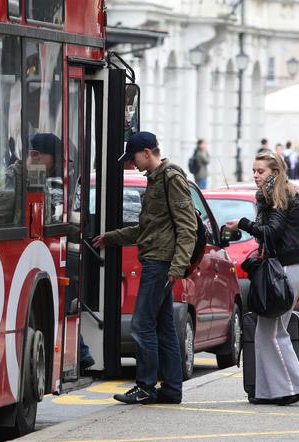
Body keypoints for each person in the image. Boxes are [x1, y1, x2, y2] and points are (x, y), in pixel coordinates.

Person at [93, 131, 197, 405]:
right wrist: (111, 237)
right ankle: (171, 389)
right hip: (157, 261)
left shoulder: (171, 177)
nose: (132, 163)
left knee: (141, 325)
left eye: (134, 157)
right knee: (164, 328)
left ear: (148, 152)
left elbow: (188, 227)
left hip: (160, 264)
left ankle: (146, 386)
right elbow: (148, 228)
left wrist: (178, 266)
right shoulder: (155, 179)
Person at [225, 152, 299, 405]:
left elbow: (272, 231)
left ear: (274, 172)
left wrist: (243, 224)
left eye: (261, 171)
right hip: (283, 269)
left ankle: (296, 387)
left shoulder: (280, 195)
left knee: (274, 332)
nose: (255, 175)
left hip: (285, 270)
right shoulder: (272, 195)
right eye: (254, 170)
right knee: (266, 332)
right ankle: (267, 391)